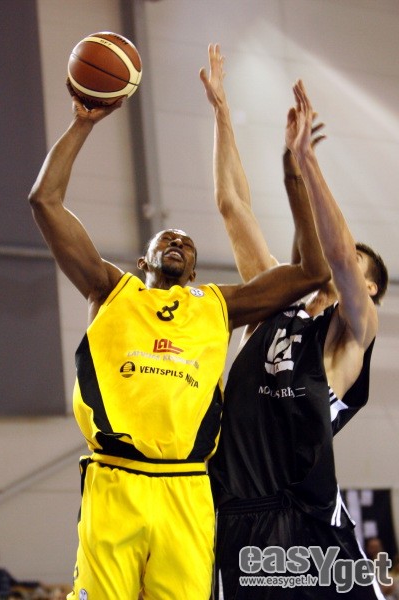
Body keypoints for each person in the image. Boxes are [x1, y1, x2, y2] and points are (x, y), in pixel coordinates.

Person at [28, 74, 329, 599]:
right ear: (143, 260)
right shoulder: (111, 289)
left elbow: (312, 272)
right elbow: (45, 201)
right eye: (166, 239)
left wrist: (293, 170)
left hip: (188, 487)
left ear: (193, 270)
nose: (178, 242)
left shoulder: (217, 305)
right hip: (115, 479)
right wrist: (82, 123)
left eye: (187, 244)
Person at [201, 44, 389, 599]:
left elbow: (337, 255)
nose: (337, 251)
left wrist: (305, 163)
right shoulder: (271, 307)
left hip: (309, 528)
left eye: (353, 259)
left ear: (370, 287)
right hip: (238, 518)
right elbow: (232, 205)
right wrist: (222, 112)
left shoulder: (352, 334)